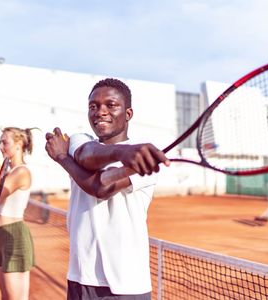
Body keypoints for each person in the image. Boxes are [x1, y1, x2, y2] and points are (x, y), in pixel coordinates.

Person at [45, 78, 170, 299]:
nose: (100, 111)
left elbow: (102, 186)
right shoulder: (79, 140)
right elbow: (86, 154)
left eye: (110, 105)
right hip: (80, 278)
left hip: (126, 285)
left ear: (128, 114)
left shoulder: (146, 157)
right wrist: (121, 153)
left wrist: (63, 158)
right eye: (93, 106)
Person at [0, 127, 37, 300]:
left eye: (4, 142)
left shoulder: (21, 172)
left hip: (14, 235)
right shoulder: (6, 172)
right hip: (1, 235)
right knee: (6, 297)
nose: (0, 146)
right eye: (0, 142)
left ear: (18, 144)